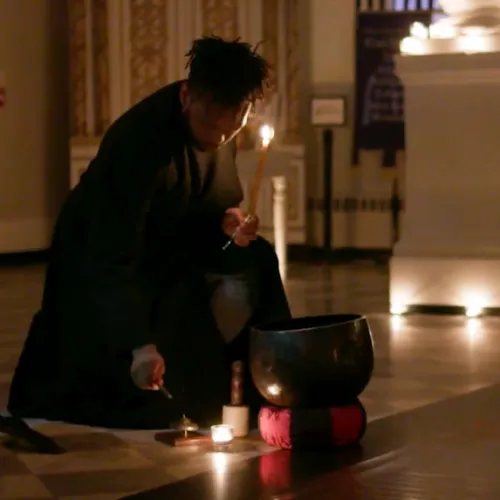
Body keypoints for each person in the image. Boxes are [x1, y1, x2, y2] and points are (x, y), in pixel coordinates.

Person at [7, 36, 291, 429]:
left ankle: (274, 377)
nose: (218, 138)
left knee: (258, 255)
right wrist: (139, 344)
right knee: (171, 402)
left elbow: (208, 210)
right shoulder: (138, 141)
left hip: (173, 249)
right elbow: (111, 250)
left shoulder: (219, 128)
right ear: (187, 95)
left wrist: (230, 225)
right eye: (209, 125)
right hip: (110, 259)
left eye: (232, 126)